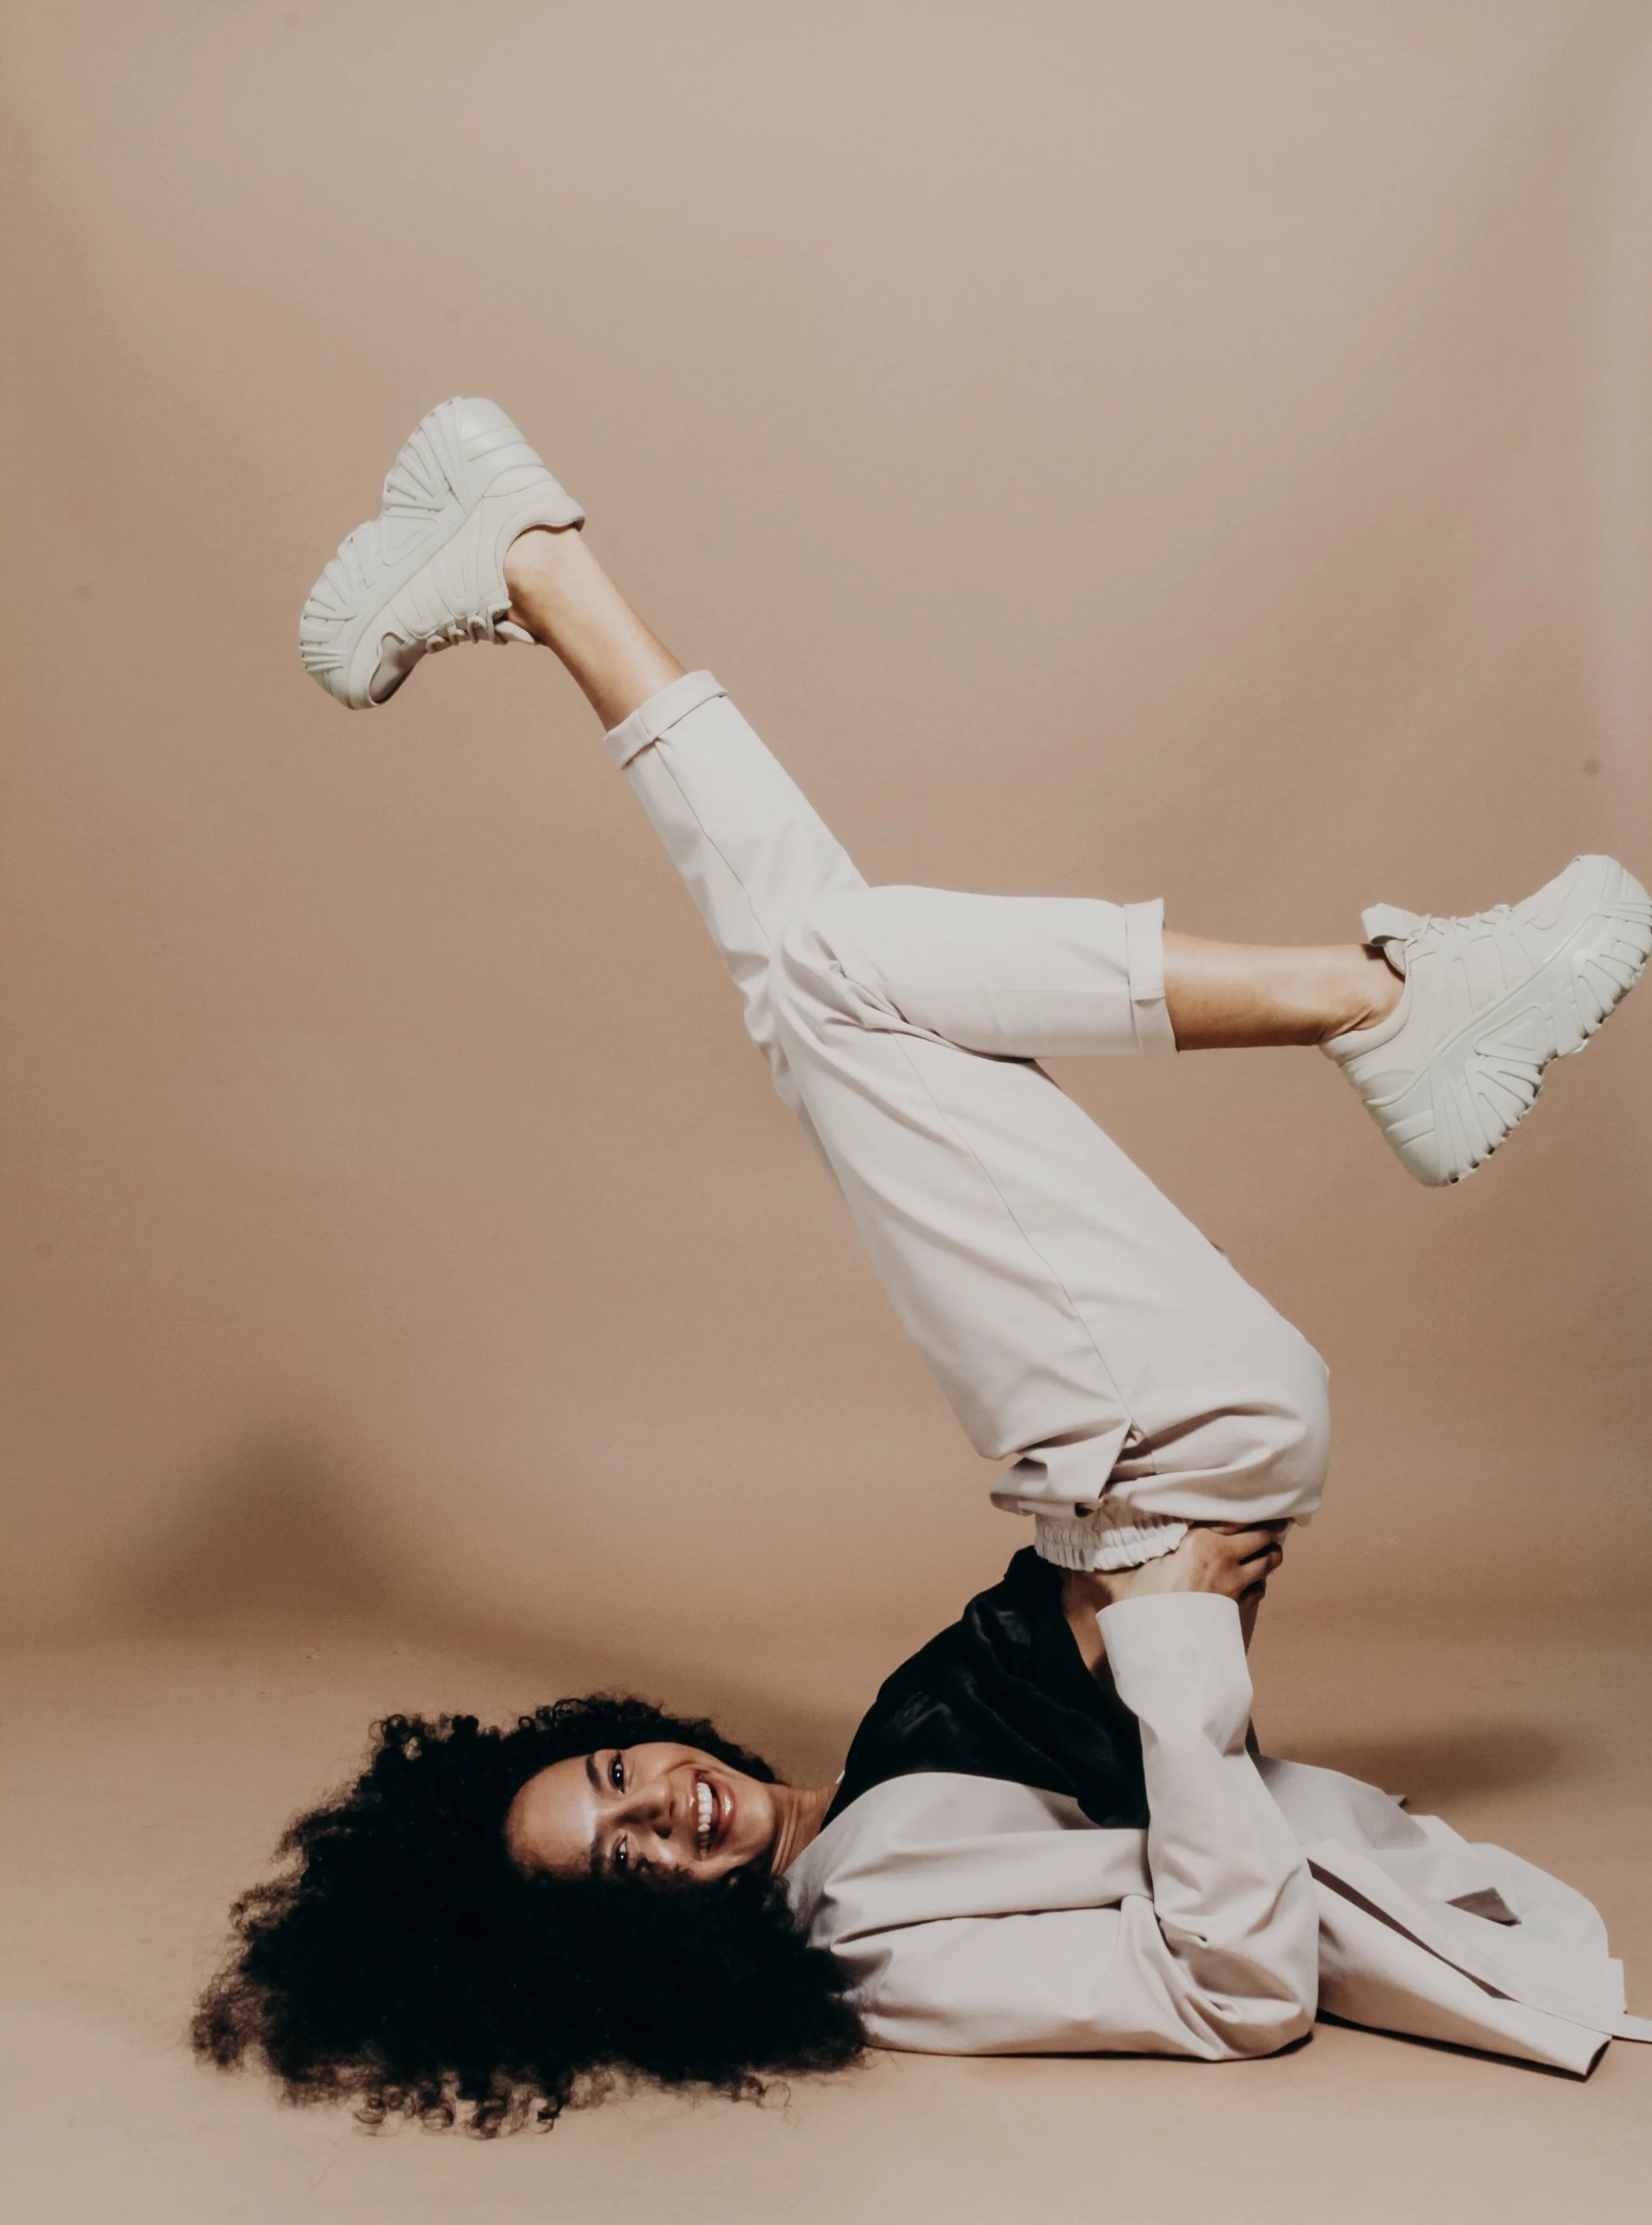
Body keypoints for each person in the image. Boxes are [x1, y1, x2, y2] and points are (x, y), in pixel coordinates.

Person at [196, 399, 1651, 2134]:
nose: (663, 1808)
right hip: (1161, 1452)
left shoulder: (856, 1797)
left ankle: (539, 569)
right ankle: (1383, 1001)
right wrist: (1178, 1619)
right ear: (638, 1955)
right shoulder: (867, 1932)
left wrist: (1126, 1594)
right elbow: (1235, 1988)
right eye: (625, 1859)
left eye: (611, 1775)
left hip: (1129, 1450)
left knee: (819, 964)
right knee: (828, 982)